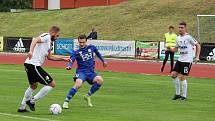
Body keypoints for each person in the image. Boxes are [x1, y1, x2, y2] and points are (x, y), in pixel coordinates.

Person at [18, 26, 69, 112]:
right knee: (52, 84)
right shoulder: (47, 36)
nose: (57, 38)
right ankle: (32, 101)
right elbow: (35, 40)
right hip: (33, 65)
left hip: (29, 65)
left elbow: (50, 57)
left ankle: (22, 107)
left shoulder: (49, 43)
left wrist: (63, 58)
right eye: (57, 36)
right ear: (53, 33)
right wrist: (30, 51)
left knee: (33, 86)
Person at [62, 34, 107, 109]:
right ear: (78, 42)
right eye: (80, 42)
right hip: (81, 72)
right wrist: (69, 66)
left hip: (91, 73)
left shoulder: (92, 47)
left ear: (86, 41)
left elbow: (98, 53)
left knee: (100, 80)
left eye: (83, 42)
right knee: (78, 84)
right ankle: (66, 101)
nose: (81, 44)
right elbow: (71, 60)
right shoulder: (76, 52)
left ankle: (87, 95)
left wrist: (103, 61)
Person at [171, 22, 200, 101]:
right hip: (180, 59)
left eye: (182, 27)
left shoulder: (189, 37)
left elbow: (198, 45)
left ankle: (184, 96)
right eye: (179, 27)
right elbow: (176, 49)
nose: (180, 29)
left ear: (185, 28)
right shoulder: (178, 38)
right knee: (173, 75)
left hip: (187, 60)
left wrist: (197, 57)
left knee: (183, 77)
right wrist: (171, 49)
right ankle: (177, 94)